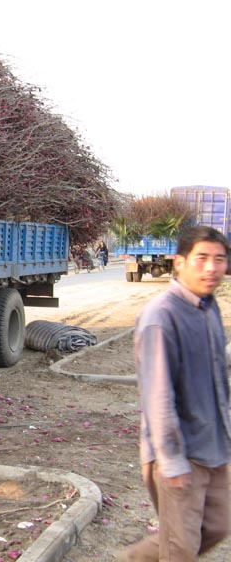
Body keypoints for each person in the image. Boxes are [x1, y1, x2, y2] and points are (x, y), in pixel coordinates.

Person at [121, 225, 230, 561]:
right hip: (179, 452)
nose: (211, 268)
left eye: (220, 259)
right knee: (180, 549)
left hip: (215, 445)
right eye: (202, 259)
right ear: (179, 262)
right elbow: (158, 397)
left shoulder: (209, 307)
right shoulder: (161, 317)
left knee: (218, 525)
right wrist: (171, 460)